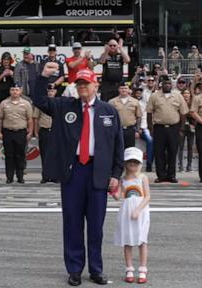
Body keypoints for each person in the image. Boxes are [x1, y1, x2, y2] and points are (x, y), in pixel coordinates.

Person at [33, 66, 124, 286]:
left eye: (86, 83)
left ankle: (96, 269)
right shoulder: (65, 106)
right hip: (74, 172)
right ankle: (74, 270)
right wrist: (44, 76)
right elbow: (39, 99)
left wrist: (116, 174)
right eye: (79, 84)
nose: (82, 87)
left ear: (96, 85)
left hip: (98, 172)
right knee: (72, 223)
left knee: (96, 226)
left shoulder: (108, 111)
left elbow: (117, 145)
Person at [112, 147, 150, 284]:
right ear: (125, 163)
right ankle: (129, 269)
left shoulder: (142, 178)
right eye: (130, 161)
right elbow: (119, 196)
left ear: (140, 163)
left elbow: (147, 197)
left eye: (136, 162)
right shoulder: (123, 180)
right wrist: (112, 191)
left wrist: (138, 210)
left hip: (141, 212)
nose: (132, 164)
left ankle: (143, 270)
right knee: (127, 241)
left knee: (142, 240)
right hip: (127, 211)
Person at [147, 77, 189, 183]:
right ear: (161, 85)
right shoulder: (154, 96)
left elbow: (183, 113)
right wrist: (150, 127)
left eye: (169, 84)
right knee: (159, 152)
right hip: (159, 128)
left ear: (172, 85)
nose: (167, 85)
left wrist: (182, 128)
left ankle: (171, 175)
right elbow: (149, 112)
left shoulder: (178, 96)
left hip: (174, 127)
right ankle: (161, 175)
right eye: (165, 84)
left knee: (172, 151)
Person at [0, 83, 33, 184]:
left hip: (21, 132)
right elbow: (0, 119)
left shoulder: (26, 103)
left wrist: (30, 132)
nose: (14, 92)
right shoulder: (4, 103)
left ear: (20, 91)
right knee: (9, 155)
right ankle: (9, 177)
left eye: (17, 90)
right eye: (12, 90)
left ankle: (20, 176)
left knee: (20, 155)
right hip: (8, 132)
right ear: (10, 91)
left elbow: (30, 119)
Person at [33, 84, 56, 184]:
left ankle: (55, 176)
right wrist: (35, 131)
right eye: (49, 91)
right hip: (44, 130)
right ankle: (45, 176)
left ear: (55, 92)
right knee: (44, 154)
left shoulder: (59, 103)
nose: (51, 93)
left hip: (56, 132)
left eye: (52, 91)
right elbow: (36, 118)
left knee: (56, 155)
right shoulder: (42, 103)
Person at [109, 82, 142, 148]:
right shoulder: (112, 102)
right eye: (122, 88)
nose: (124, 90)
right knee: (117, 149)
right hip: (117, 130)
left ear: (129, 90)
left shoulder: (135, 102)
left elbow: (138, 117)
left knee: (130, 150)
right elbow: (109, 117)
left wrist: (137, 130)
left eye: (125, 88)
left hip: (130, 130)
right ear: (118, 89)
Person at [133, 87, 154, 172]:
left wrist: (141, 128)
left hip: (143, 128)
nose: (139, 94)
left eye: (140, 93)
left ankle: (149, 164)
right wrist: (135, 129)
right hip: (131, 127)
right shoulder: (132, 102)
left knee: (150, 141)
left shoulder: (145, 104)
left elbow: (145, 117)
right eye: (137, 93)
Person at [178, 89, 195, 172]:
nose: (186, 95)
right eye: (184, 93)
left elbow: (194, 114)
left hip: (191, 127)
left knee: (190, 147)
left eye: (188, 93)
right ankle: (180, 165)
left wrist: (187, 114)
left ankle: (189, 166)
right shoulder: (179, 103)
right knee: (180, 147)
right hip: (181, 127)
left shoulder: (193, 104)